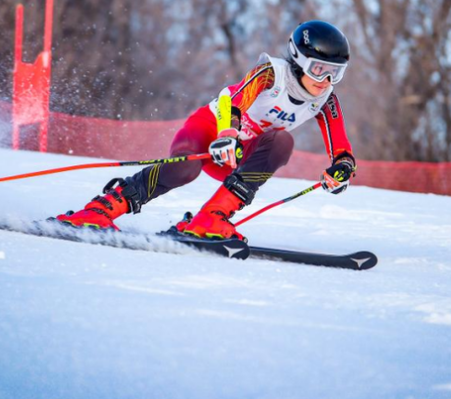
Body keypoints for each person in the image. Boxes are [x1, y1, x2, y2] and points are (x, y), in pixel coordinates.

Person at [55, 20, 357, 241]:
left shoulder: (326, 99)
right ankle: (101, 208)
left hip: (238, 155)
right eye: (319, 69)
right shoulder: (271, 74)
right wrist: (228, 134)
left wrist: (341, 172)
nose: (326, 80)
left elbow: (342, 149)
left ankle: (210, 218)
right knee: (185, 169)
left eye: (335, 73)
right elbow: (235, 101)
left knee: (281, 142)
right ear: (300, 60)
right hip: (209, 131)